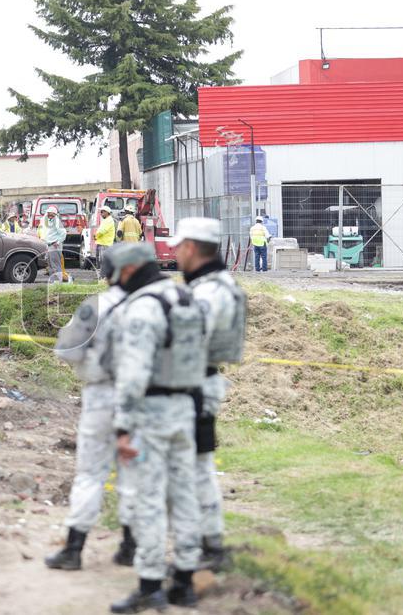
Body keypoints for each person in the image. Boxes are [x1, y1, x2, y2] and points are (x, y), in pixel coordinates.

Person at [105, 243, 207, 613]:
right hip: (186, 409)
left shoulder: (144, 307)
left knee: (149, 499)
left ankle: (150, 586)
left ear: (129, 271)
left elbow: (132, 375)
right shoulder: (186, 297)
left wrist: (122, 427)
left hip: (151, 413)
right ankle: (184, 581)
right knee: (185, 496)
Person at [45, 253, 137, 571]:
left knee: (89, 475)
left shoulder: (95, 306)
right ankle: (130, 546)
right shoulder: (149, 306)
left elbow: (66, 350)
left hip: (99, 396)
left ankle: (73, 549)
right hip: (138, 399)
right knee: (132, 475)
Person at [171, 218, 246, 572]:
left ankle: (202, 548)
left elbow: (188, 339)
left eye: (178, 246)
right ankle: (207, 544)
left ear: (190, 247)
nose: (173, 252)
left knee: (191, 471)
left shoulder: (209, 293)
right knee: (197, 468)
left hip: (194, 387)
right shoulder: (216, 286)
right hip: (199, 383)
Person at [40, 205, 68, 283]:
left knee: (56, 265)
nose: (49, 215)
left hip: (55, 246)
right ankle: (51, 281)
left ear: (54, 214)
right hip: (49, 245)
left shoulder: (57, 221)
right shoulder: (49, 221)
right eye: (48, 213)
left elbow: (63, 233)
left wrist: (58, 242)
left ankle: (60, 281)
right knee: (50, 265)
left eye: (51, 213)